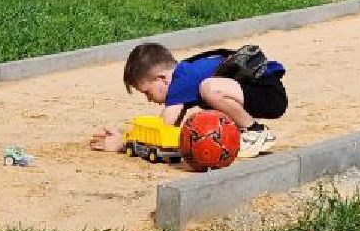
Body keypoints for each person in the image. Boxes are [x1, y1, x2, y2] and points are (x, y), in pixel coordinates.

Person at [88, 42, 287, 157]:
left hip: (267, 92)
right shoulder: (184, 78)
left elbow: (163, 130)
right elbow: (171, 132)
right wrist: (126, 132)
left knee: (209, 88)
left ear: (163, 79)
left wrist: (123, 143)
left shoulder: (181, 80)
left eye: (147, 92)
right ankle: (244, 131)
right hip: (258, 89)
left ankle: (255, 132)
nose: (149, 99)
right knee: (208, 94)